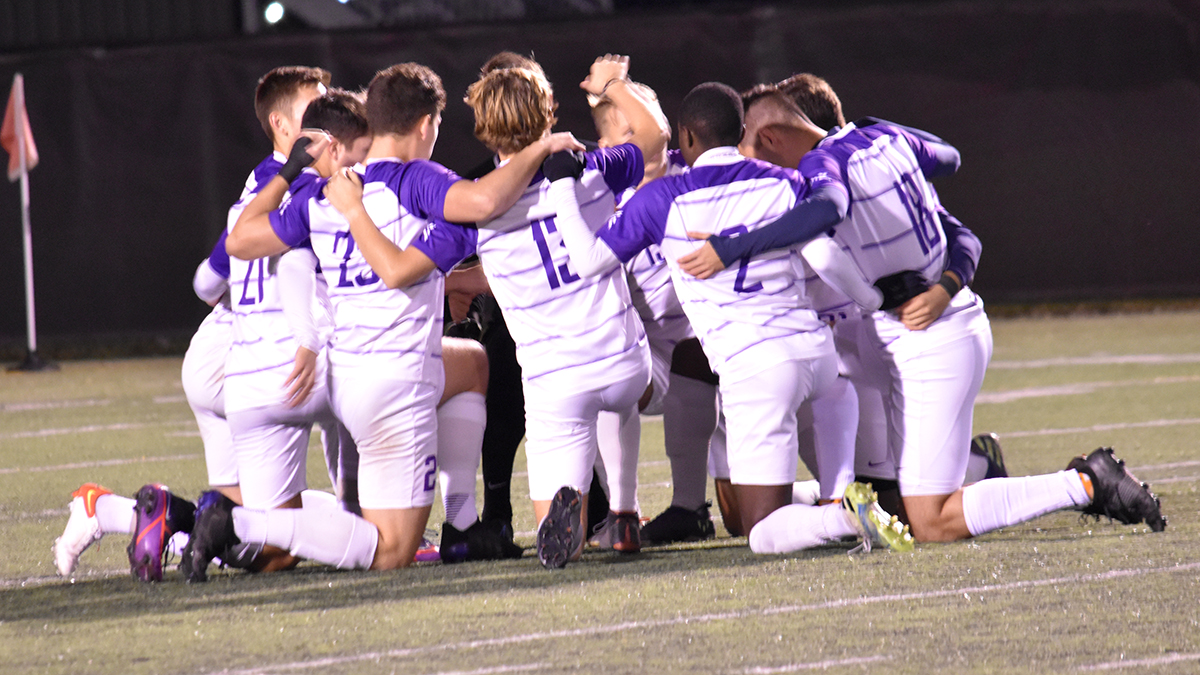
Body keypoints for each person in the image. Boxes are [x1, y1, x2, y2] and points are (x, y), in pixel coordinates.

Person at [675, 86, 1167, 541]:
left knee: (930, 520)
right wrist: (947, 280)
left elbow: (823, 215)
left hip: (931, 339)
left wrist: (732, 246)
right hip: (922, 332)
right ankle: (965, 469)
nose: (754, 171)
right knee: (897, 497)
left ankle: (1084, 483)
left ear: (770, 137)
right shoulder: (884, 138)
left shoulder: (822, 168)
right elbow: (950, 167)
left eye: (753, 152)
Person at [183, 62, 579, 580]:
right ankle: (238, 526)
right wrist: (540, 147)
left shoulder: (327, 187)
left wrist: (287, 173)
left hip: (345, 377)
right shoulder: (416, 179)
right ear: (424, 125)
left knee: (468, 364)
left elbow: (239, 240)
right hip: (395, 382)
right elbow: (482, 201)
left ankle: (458, 524)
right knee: (391, 550)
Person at [544, 81, 913, 555]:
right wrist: (872, 299)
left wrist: (560, 185)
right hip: (818, 355)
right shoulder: (783, 179)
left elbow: (589, 259)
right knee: (817, 408)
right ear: (741, 131)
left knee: (760, 532)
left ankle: (842, 516)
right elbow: (822, 251)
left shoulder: (663, 199)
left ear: (687, 138)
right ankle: (836, 494)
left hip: (758, 368)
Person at [325, 64, 651, 569]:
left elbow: (409, 263)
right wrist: (614, 87)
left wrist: (446, 278)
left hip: (553, 382)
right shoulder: (596, 166)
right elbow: (653, 139)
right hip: (624, 360)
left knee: (554, 510)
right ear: (550, 114)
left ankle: (561, 522)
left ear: (481, 130)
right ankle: (624, 508)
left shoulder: (472, 212)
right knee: (624, 399)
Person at [52, 66, 332, 582]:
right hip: (255, 357)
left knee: (231, 524)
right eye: (313, 112)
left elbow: (206, 282)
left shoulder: (260, 183)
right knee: (275, 543)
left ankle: (110, 511)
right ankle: (383, 518)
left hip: (219, 350)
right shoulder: (305, 184)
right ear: (280, 124)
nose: (327, 123)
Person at [584, 63, 721, 545]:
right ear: (608, 148)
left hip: (726, 347)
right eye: (630, 130)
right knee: (603, 378)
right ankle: (622, 513)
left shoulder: (700, 175)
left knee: (751, 519)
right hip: (653, 354)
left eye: (651, 120)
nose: (652, 137)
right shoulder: (596, 196)